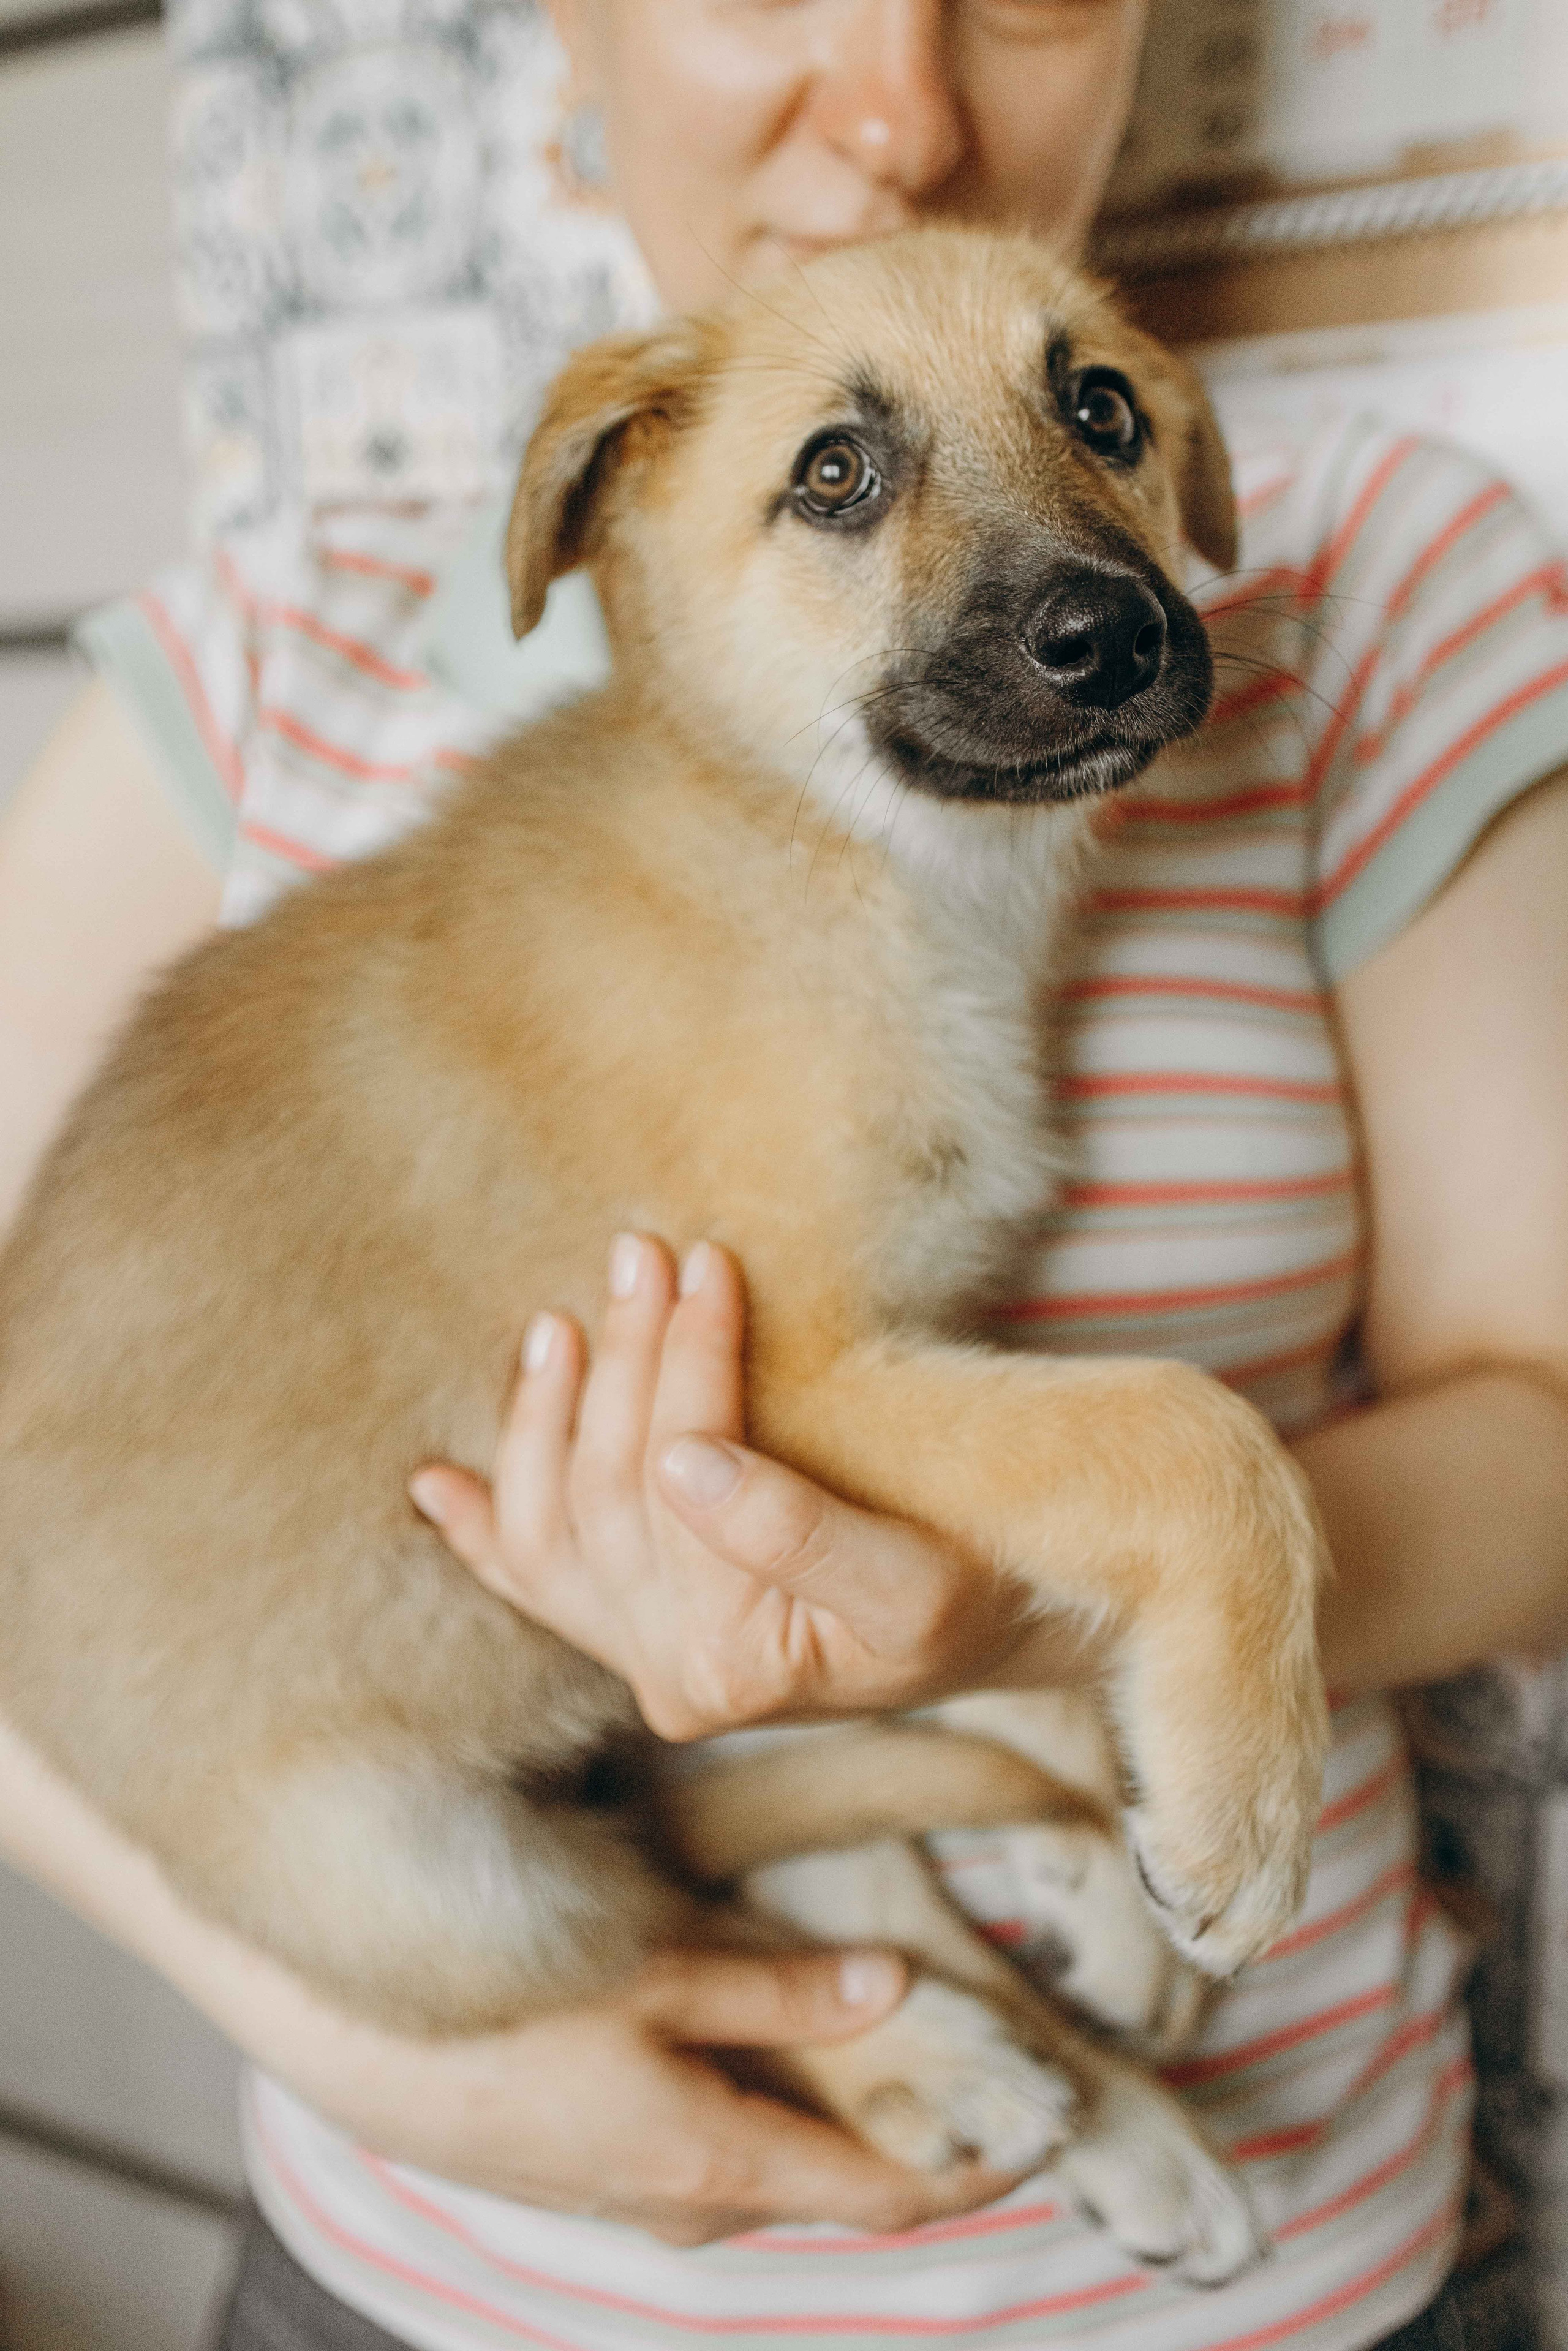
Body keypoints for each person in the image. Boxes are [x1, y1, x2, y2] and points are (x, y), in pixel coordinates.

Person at [4, 1, 1568, 2344]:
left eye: (1098, 417)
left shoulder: (1412, 594)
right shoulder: (262, 666)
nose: (900, 106)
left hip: (1315, 2267)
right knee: (496, 1900)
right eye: (842, 479)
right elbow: (808, 1381)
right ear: (618, 535)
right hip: (431, 2225)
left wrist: (1025, 1628)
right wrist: (408, 2069)